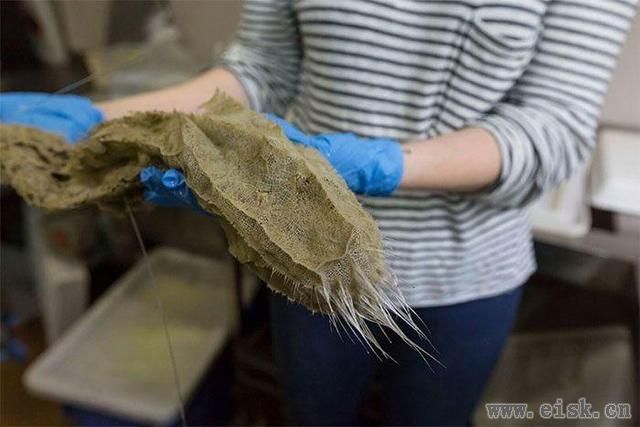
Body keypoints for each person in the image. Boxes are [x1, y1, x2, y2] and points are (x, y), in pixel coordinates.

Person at [1, 1, 636, 425]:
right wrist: (99, 120)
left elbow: (554, 130)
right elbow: (259, 70)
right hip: (303, 262)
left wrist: (382, 163)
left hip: (465, 272)